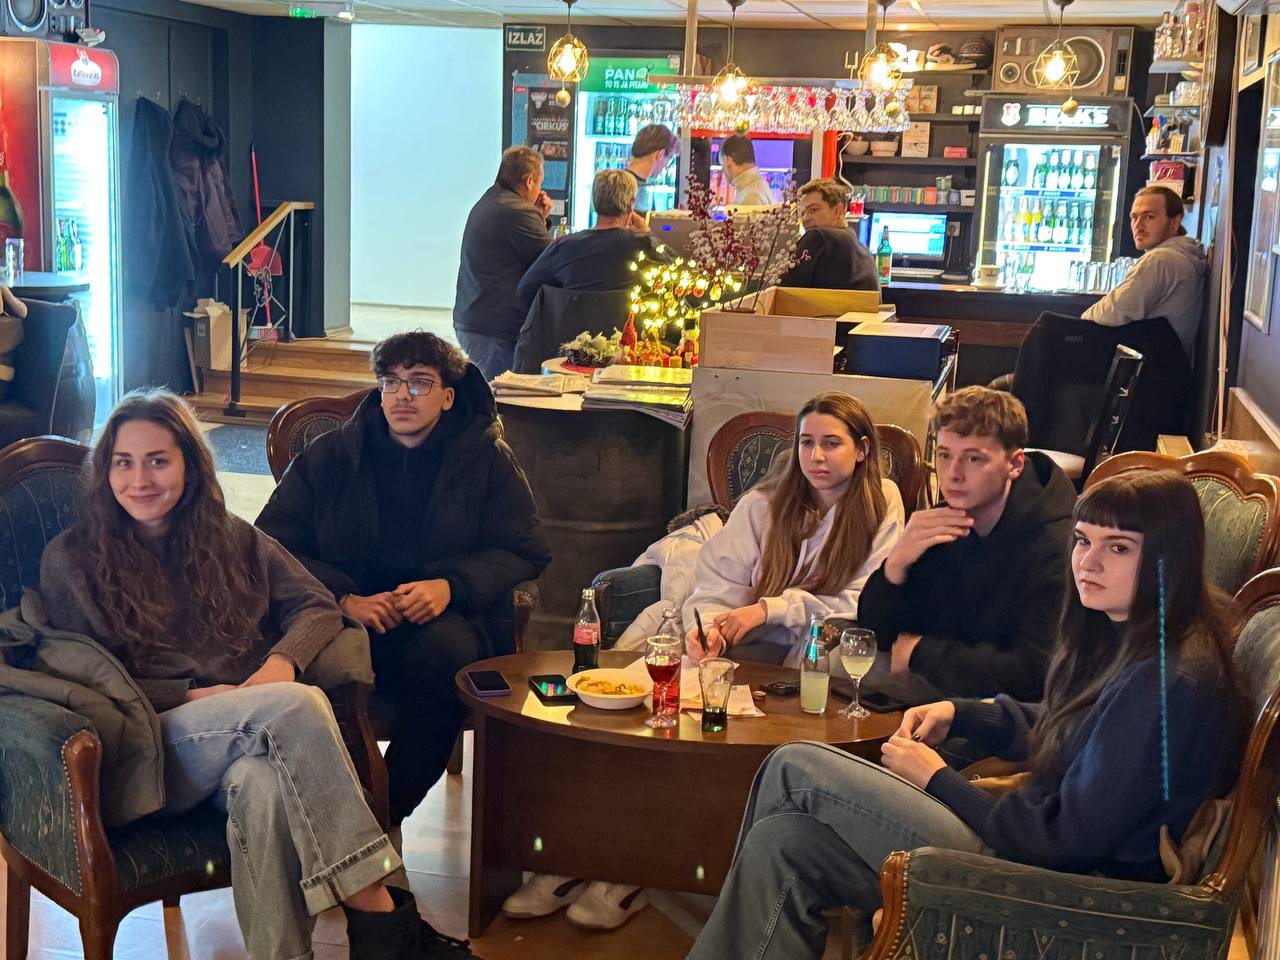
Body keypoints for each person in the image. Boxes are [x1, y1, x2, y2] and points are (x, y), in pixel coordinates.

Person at [688, 469, 1247, 960]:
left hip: (1049, 883)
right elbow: (1072, 729)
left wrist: (937, 778)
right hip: (1029, 843)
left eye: (1118, 547)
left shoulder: (1165, 681)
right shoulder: (1137, 638)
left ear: (1168, 557)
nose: (1089, 562)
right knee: (784, 842)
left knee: (796, 765)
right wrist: (964, 714)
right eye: (1082, 540)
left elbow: (1063, 839)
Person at [36, 390, 474, 960]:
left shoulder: (230, 535)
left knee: (263, 787)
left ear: (190, 465)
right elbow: (83, 676)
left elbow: (316, 605)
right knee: (296, 704)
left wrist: (279, 663)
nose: (139, 479)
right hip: (146, 745)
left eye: (158, 460)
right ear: (105, 471)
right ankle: (377, 907)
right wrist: (195, 694)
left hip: (247, 732)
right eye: (124, 462)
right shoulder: (71, 560)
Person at [256, 332, 551, 827]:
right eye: (390, 382)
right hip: (344, 616)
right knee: (323, 673)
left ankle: (372, 822)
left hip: (440, 619)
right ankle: (325, 816)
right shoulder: (333, 455)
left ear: (448, 396)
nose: (402, 396)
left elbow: (526, 548)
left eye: (419, 383)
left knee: (446, 663)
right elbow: (269, 544)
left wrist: (451, 586)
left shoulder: (484, 458)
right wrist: (344, 597)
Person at [857, 387, 1074, 703]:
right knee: (841, 656)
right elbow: (876, 631)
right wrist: (896, 564)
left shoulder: (1053, 545)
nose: (953, 474)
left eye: (974, 458)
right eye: (945, 455)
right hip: (949, 680)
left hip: (1013, 709)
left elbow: (1033, 673)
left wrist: (921, 652)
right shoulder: (943, 522)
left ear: (1015, 464)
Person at [684, 391, 904, 666]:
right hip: (754, 647)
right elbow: (718, 586)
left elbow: (864, 600)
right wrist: (710, 631)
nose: (816, 456)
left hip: (828, 647)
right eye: (806, 442)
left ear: (862, 449)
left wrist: (771, 609)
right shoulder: (761, 505)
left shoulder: (882, 499)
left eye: (831, 443)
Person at [453, 146, 554, 380]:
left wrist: (538, 217)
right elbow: (550, 260)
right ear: (529, 181)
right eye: (539, 183)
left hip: (476, 318)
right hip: (495, 328)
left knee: (493, 391)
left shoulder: (491, 200)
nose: (540, 190)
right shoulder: (517, 211)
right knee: (502, 396)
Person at [513, 169, 660, 324]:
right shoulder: (643, 246)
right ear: (631, 204)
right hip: (629, 336)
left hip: (572, 336)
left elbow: (525, 290)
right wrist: (648, 234)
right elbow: (676, 274)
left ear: (594, 202)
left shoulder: (564, 247)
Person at [1081, 185, 1207, 360]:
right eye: (1134, 217)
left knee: (1052, 328)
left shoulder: (1161, 260)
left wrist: (1082, 320)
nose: (1138, 226)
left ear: (1174, 223)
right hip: (1169, 364)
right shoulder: (1185, 254)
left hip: (1148, 368)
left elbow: (1112, 312)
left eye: (1149, 217)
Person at [779, 178, 879, 291]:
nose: (805, 219)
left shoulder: (820, 236)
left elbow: (779, 290)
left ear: (838, 210)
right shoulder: (864, 251)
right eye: (802, 213)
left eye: (813, 210)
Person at [625, 123, 679, 213]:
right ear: (660, 154)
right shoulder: (631, 188)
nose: (666, 167)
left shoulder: (620, 183)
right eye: (669, 160)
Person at [720, 134, 775, 207]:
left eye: (722, 165)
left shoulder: (751, 196)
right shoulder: (758, 186)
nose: (723, 170)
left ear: (727, 160)